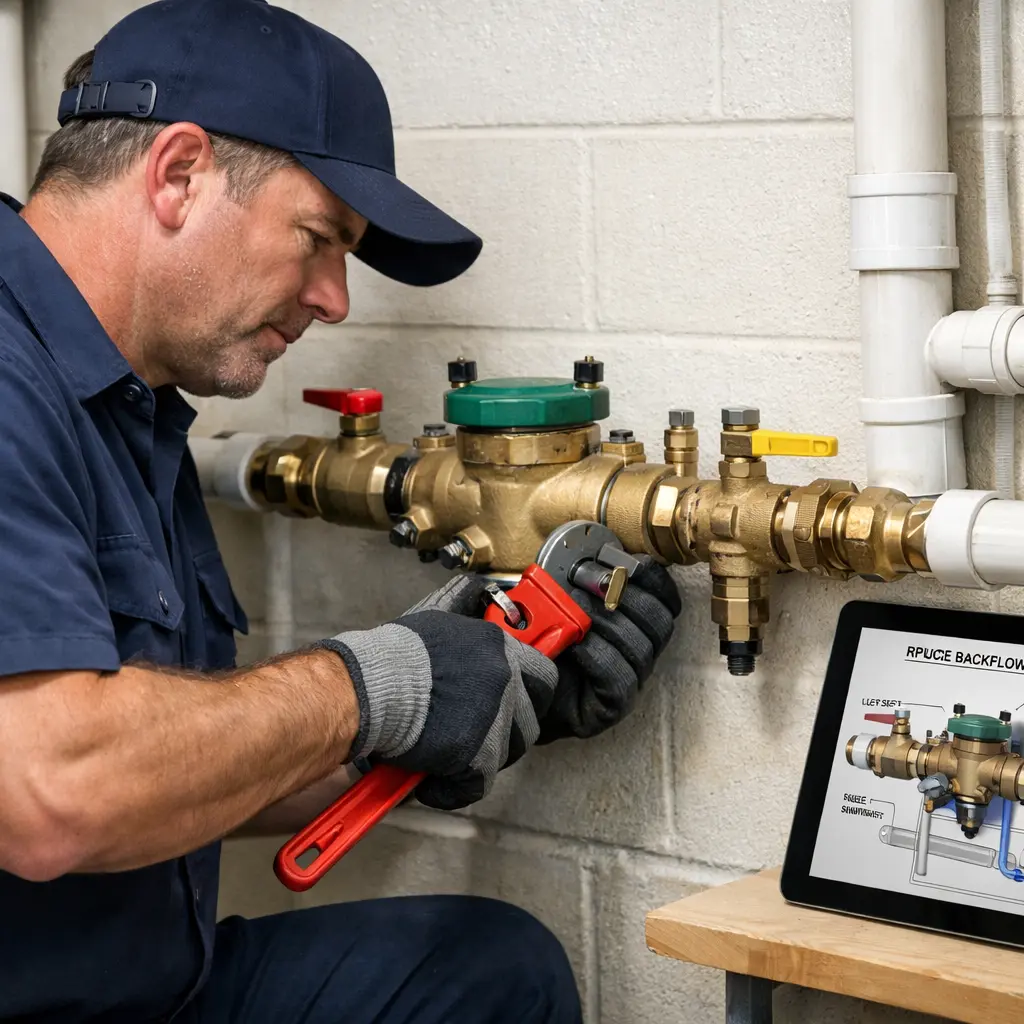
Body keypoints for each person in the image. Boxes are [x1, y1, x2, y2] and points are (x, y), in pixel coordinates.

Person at [0, 1, 682, 1022]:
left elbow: (181, 769)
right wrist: (372, 683)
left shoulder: (125, 403)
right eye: (318, 239)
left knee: (484, 969)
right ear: (178, 173)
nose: (335, 300)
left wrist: (458, 710)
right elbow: (52, 793)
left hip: (152, 988)